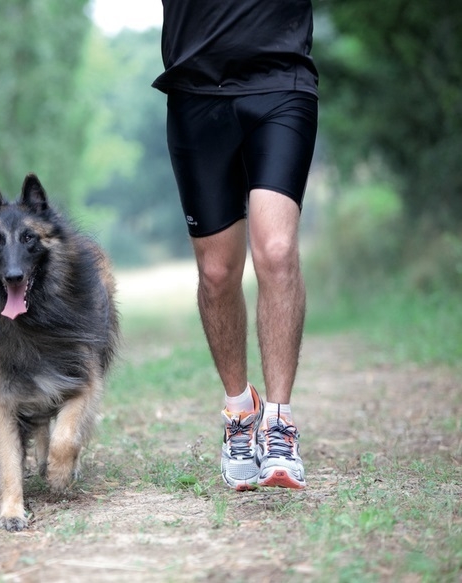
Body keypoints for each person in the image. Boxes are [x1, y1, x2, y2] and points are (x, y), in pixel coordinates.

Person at [152, 0, 319, 490]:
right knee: (218, 273)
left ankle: (280, 425)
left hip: (281, 81)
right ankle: (240, 414)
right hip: (195, 92)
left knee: (276, 250)